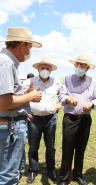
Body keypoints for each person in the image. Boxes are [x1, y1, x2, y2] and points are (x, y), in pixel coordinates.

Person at [0, 27, 42, 184]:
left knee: (11, 170)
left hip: (8, 125)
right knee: (9, 175)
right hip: (11, 124)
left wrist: (25, 94)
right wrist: (30, 96)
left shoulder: (7, 61)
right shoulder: (6, 62)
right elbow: (3, 103)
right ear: (22, 45)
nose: (30, 52)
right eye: (30, 48)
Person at [58, 54, 96, 185]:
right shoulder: (67, 80)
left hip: (85, 120)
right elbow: (61, 96)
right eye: (78, 64)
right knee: (67, 148)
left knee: (81, 149)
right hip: (70, 119)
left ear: (87, 68)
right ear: (74, 65)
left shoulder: (93, 81)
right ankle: (64, 178)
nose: (79, 67)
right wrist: (68, 99)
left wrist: (91, 104)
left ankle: (78, 174)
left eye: (83, 65)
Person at [22, 57, 62, 183]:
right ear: (38, 68)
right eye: (42, 68)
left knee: (50, 147)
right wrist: (25, 112)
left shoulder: (56, 82)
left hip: (51, 119)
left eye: (47, 68)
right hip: (34, 119)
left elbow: (64, 94)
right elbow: (19, 96)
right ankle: (33, 170)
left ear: (51, 70)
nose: (45, 70)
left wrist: (59, 105)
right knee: (33, 146)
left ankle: (51, 169)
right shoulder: (30, 82)